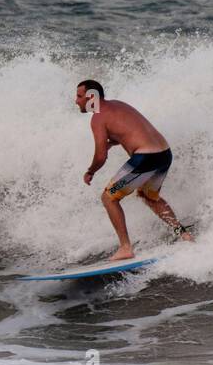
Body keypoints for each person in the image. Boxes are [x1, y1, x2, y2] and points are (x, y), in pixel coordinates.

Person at [76, 79, 194, 260]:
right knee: (149, 196)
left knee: (109, 198)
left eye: (80, 96)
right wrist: (112, 142)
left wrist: (90, 171)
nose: (77, 101)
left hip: (146, 158)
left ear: (92, 97)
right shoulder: (118, 105)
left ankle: (125, 248)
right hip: (164, 154)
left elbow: (100, 156)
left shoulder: (98, 117)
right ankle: (184, 234)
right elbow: (130, 129)